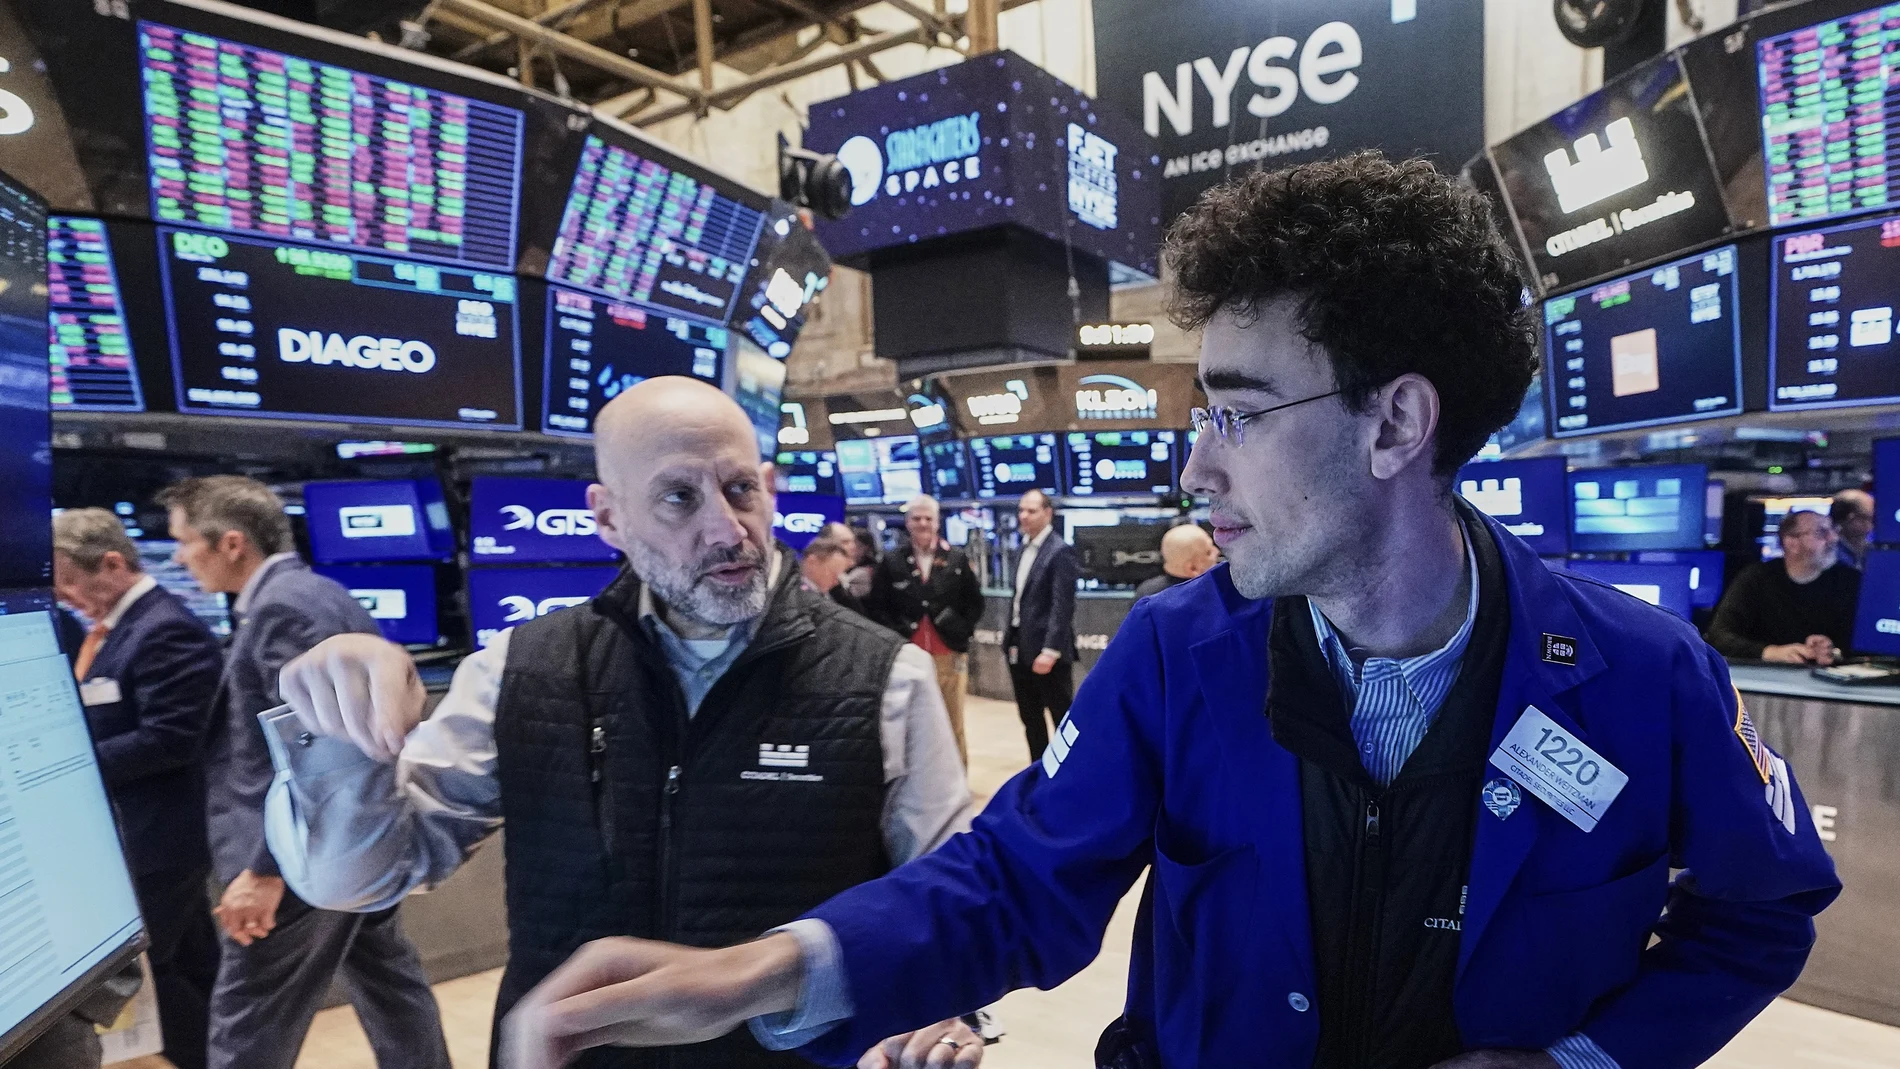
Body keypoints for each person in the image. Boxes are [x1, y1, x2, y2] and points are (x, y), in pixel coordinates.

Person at [495, 154, 1842, 1069]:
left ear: (1398, 423)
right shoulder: (1177, 653)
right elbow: (1018, 877)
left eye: (1242, 413)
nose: (1198, 465)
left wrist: (1588, 1061)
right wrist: (765, 970)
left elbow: (1762, 909)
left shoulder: (1639, 676)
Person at [266, 378, 984, 1068]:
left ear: (768, 486)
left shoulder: (885, 674)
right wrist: (342, 740)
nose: (726, 529)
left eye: (740, 489)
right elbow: (362, 878)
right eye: (679, 497)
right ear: (607, 515)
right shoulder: (523, 668)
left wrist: (942, 1011)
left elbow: (948, 902)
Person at [154, 476, 449, 1069]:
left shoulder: (285, 609)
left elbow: (321, 755)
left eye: (184, 542)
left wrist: (265, 870)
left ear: (231, 543)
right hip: (335, 844)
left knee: (249, 1017)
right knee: (387, 979)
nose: (179, 558)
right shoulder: (312, 594)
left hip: (302, 852)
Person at [51, 509, 223, 1069]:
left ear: (112, 563)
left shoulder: (164, 628)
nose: (63, 593)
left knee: (156, 966)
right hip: (143, 831)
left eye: (68, 579)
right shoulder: (113, 629)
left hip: (162, 835)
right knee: (194, 960)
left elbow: (171, 738)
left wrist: (70, 769)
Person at [868, 496, 986, 765]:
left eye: (928, 518)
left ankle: (957, 789)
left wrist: (961, 629)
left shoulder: (956, 559)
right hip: (907, 656)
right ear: (908, 523)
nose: (923, 524)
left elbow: (975, 603)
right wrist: (896, 636)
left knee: (952, 722)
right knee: (910, 724)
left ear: (937, 522)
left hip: (949, 655)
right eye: (917, 518)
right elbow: (877, 607)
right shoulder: (892, 561)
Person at [1706, 508, 1861, 665]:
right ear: (1792, 543)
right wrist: (1770, 652)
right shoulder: (1756, 578)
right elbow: (1718, 636)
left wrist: (1832, 651)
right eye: (1821, 532)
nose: (1833, 538)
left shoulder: (1850, 582)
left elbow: (1864, 645)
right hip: (1766, 679)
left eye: (1833, 530)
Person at [1005, 489, 1078, 760]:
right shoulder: (1023, 548)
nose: (1023, 516)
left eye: (1031, 510)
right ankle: (1037, 773)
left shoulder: (1060, 551)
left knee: (1061, 718)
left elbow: (1062, 606)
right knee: (1030, 717)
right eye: (1021, 510)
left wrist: (1051, 650)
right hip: (1019, 646)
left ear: (1048, 513)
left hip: (1047, 652)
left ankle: (1067, 776)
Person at [1132, 524, 1218, 601]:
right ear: (1192, 569)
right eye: (1208, 552)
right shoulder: (1214, 595)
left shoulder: (1145, 595)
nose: (1216, 552)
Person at [800, 529, 867, 616]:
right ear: (812, 562)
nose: (836, 582)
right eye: (833, 574)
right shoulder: (794, 593)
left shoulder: (830, 592)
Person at [1830, 488, 1874, 570]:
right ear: (1849, 518)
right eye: (1866, 517)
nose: (1871, 525)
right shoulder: (1828, 554)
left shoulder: (1874, 551)